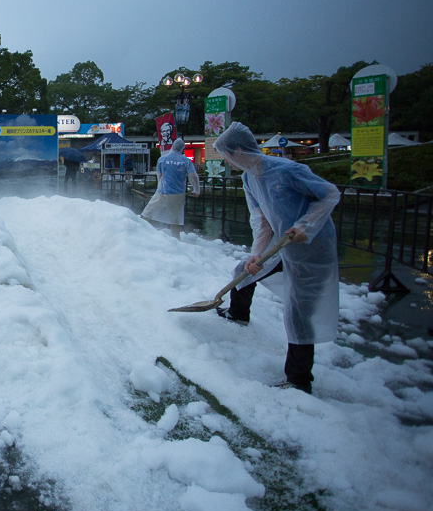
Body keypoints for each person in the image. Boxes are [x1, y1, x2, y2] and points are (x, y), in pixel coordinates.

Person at [212, 122, 340, 394]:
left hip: (311, 247)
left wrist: (305, 226)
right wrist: (256, 254)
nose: (226, 161)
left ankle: (299, 380)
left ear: (238, 150)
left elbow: (329, 194)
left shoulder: (287, 170)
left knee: (299, 313)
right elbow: (262, 222)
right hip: (282, 244)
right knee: (244, 270)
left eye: (226, 156)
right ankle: (238, 314)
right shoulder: (248, 177)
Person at [141, 139, 200, 237]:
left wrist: (159, 189)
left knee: (148, 212)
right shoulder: (186, 161)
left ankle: (141, 233)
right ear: (182, 149)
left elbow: (159, 176)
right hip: (178, 194)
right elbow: (193, 176)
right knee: (175, 219)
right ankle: (175, 240)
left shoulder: (162, 159)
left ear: (172, 146)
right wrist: (196, 190)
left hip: (162, 192)